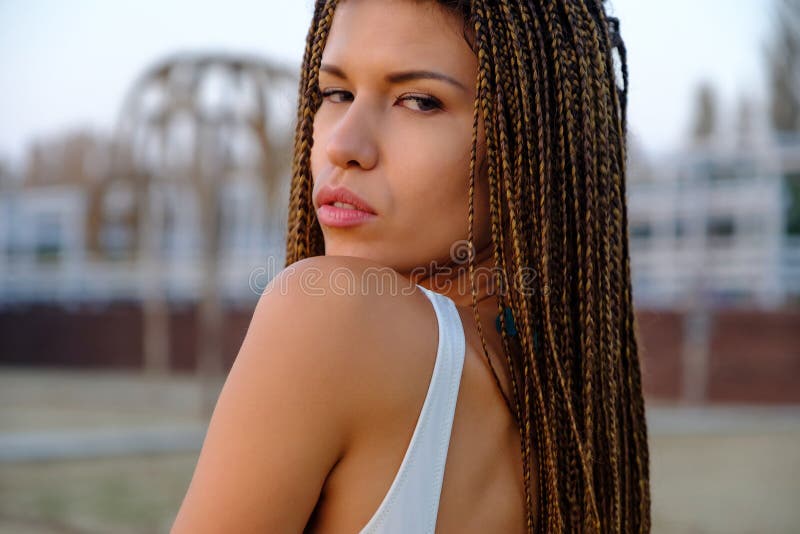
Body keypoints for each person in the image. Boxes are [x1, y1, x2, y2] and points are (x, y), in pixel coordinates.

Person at [172, 0, 651, 532]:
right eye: (336, 93)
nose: (343, 145)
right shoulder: (573, 400)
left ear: (533, 140)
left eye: (419, 101)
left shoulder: (329, 313)